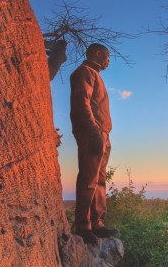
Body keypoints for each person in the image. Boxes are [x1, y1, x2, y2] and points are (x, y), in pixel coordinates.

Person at [70, 43, 118, 244]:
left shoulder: (96, 76)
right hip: (93, 133)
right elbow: (82, 103)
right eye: (107, 57)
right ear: (98, 54)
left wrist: (104, 134)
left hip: (102, 134)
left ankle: (97, 224)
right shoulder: (85, 72)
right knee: (89, 179)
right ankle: (83, 226)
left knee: (99, 180)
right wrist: (95, 131)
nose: (108, 62)